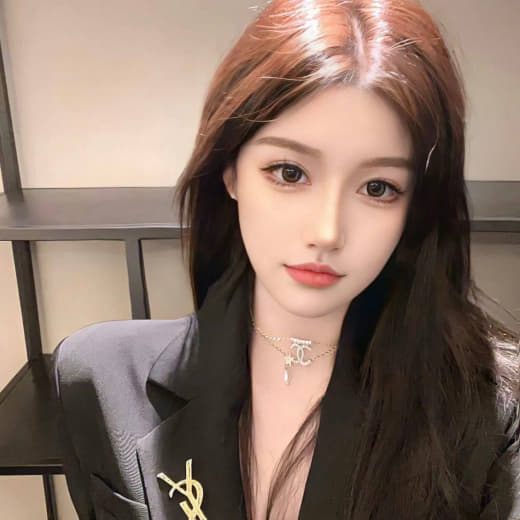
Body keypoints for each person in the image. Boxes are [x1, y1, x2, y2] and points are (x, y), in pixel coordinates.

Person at [52, 0, 520, 518]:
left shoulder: (494, 414)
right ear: (229, 170)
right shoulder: (99, 379)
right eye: (290, 173)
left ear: (417, 208)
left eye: (378, 187)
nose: (326, 233)